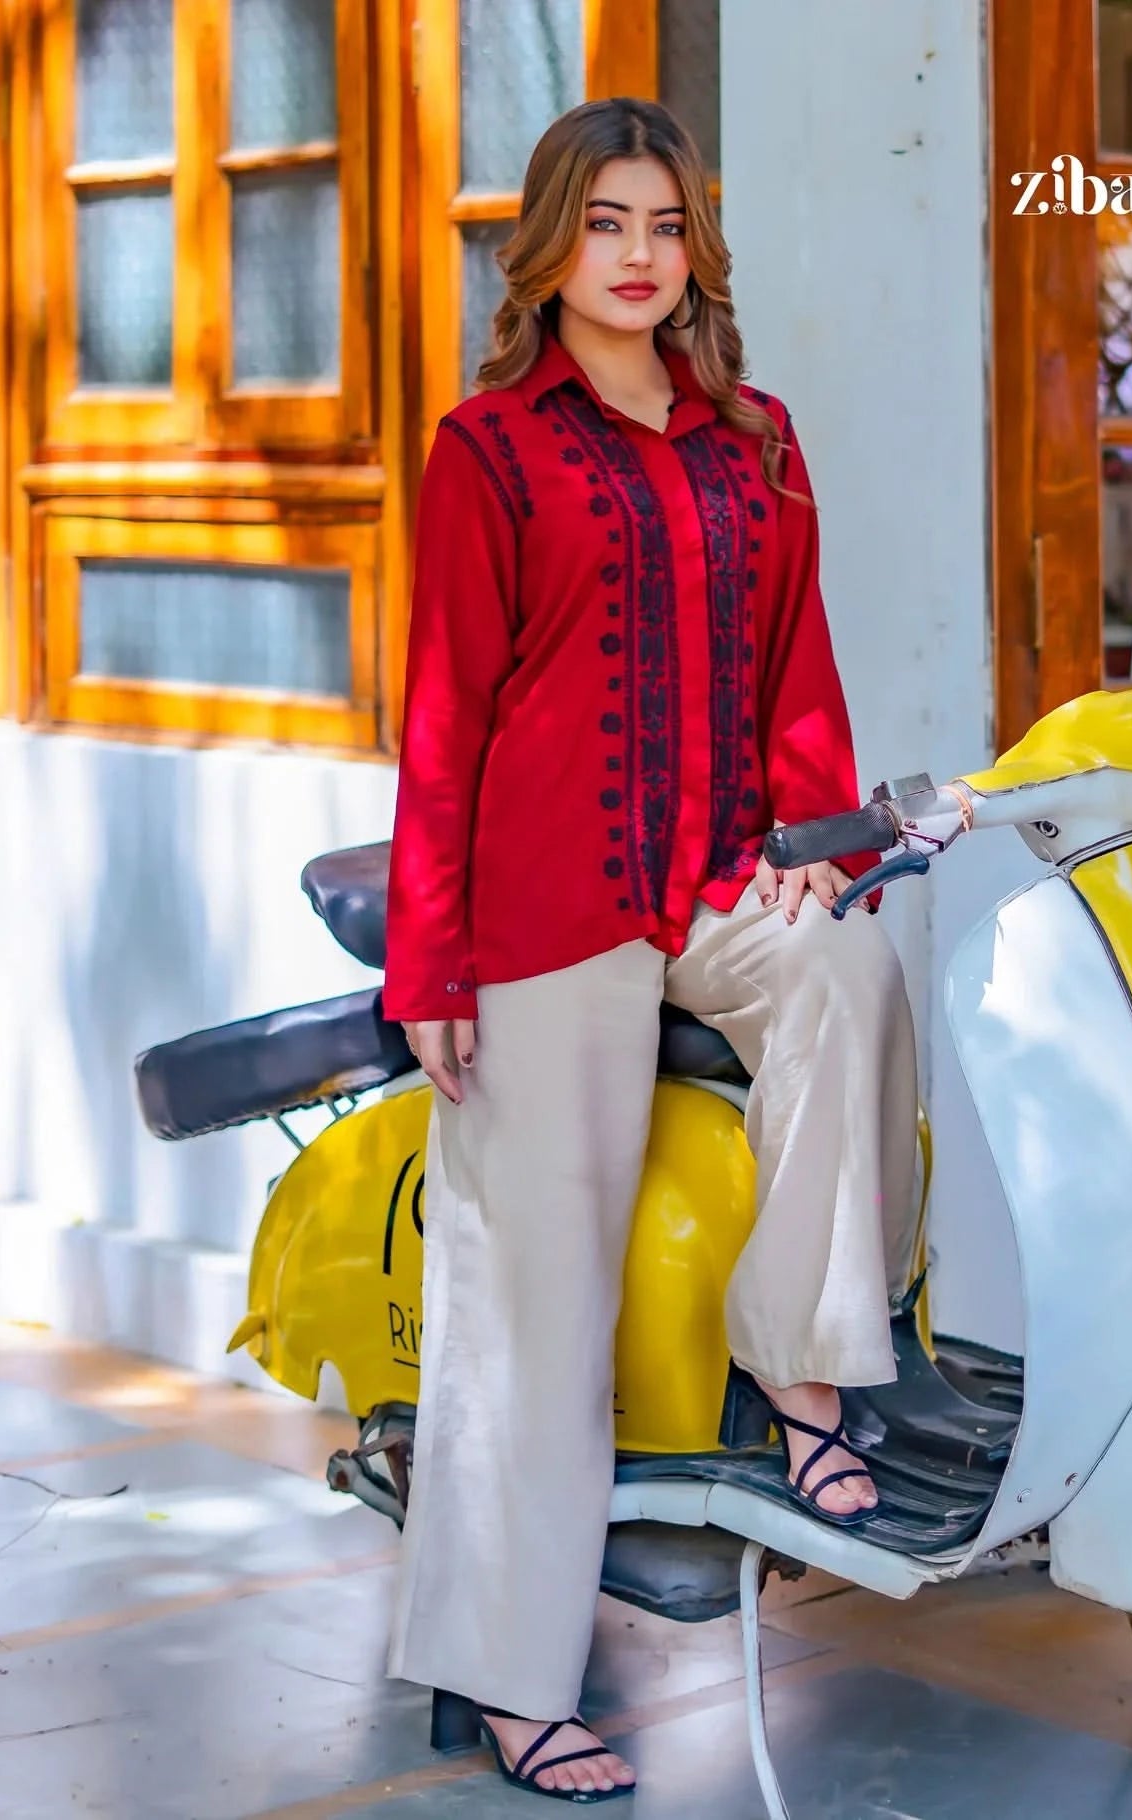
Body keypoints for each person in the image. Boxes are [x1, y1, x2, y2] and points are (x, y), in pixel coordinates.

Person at [382, 96, 918, 1804]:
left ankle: (806, 1371)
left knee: (849, 975)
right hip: (544, 911)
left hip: (718, 880)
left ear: (696, 250)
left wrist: (826, 856)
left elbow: (800, 677)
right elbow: (444, 720)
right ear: (551, 244)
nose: (637, 256)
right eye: (605, 222)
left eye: (664, 225)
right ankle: (510, 1675)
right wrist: (433, 964)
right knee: (535, 1301)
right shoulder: (490, 448)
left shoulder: (756, 439)